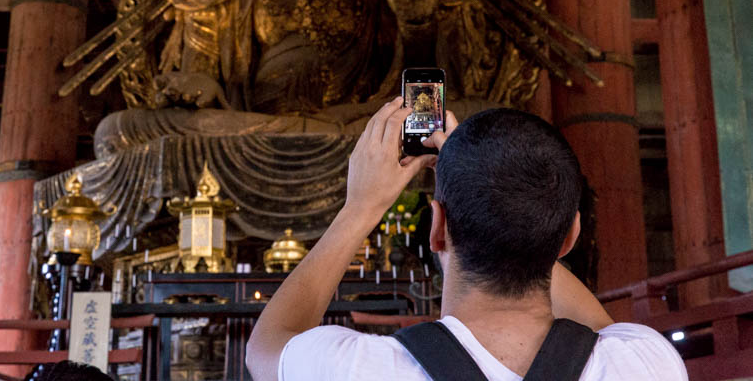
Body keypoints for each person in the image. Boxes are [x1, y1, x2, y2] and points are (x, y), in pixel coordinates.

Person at [246, 98, 687, 380]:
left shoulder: (362, 369)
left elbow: (265, 346)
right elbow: (604, 332)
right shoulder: (646, 364)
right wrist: (488, 182)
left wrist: (361, 207)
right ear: (569, 235)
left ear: (437, 229)